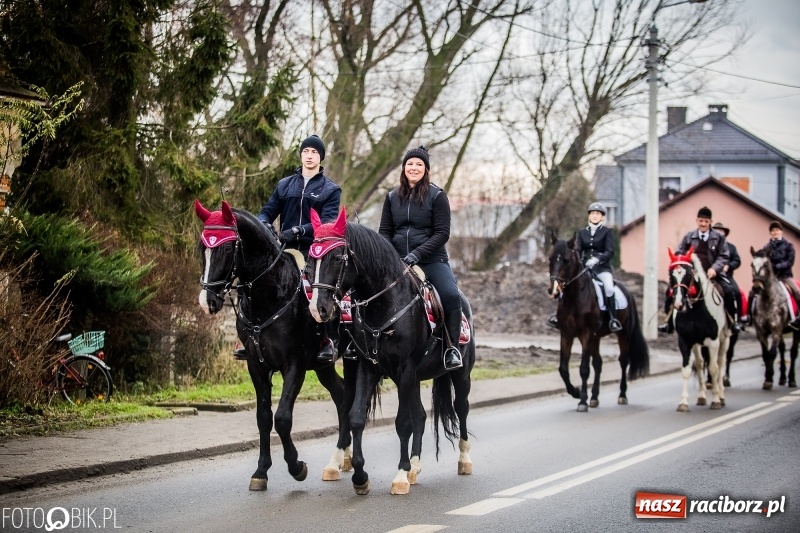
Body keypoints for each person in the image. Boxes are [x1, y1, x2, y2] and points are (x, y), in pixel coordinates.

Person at [251, 135, 342, 363]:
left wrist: (299, 231)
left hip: (315, 250)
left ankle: (327, 341)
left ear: (320, 158)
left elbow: (328, 222)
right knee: (257, 280)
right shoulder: (284, 185)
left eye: (314, 152)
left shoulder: (331, 189)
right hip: (283, 249)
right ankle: (251, 335)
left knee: (318, 288)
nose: (309, 156)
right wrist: (263, 225)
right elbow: (267, 211)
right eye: (306, 151)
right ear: (301, 155)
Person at [378, 146, 463, 370]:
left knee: (451, 296)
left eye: (418, 164)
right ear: (403, 168)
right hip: (396, 261)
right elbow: (385, 231)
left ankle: (451, 348)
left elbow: (442, 233)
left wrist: (417, 254)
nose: (413, 168)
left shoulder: (437, 196)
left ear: (426, 169)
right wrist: (388, 255)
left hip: (431, 260)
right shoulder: (391, 197)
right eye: (410, 164)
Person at [660, 206, 740, 334]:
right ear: (697, 221)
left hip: (713, 274)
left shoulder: (719, 237)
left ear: (710, 222)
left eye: (706, 221)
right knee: (671, 290)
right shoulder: (689, 236)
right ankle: (668, 321)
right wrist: (682, 264)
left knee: (730, 291)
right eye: (701, 221)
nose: (703, 224)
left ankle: (732, 321)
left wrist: (714, 269)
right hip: (692, 274)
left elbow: (724, 255)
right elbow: (679, 251)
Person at [546, 202, 622, 332]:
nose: (595, 216)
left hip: (602, 269)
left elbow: (610, 251)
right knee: (565, 286)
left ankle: (612, 319)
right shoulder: (582, 232)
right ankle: (558, 317)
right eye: (592, 213)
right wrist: (581, 261)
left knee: (609, 288)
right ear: (589, 216)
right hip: (585, 268)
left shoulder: (607, 232)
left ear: (602, 217)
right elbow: (578, 249)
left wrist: (597, 259)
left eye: (598, 214)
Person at [761, 220, 800, 328]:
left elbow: (790, 261)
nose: (775, 232)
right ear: (770, 232)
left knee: (797, 292)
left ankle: (799, 318)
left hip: (785, 276)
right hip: (771, 277)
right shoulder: (766, 247)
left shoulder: (788, 245)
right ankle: (752, 317)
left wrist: (778, 266)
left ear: (781, 231)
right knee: (755, 293)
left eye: (777, 230)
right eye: (772, 230)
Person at [712, 221, 747, 326]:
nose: (718, 233)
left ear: (724, 233)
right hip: (711, 275)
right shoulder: (710, 246)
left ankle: (737, 319)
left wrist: (729, 266)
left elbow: (737, 260)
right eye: (716, 231)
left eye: (720, 231)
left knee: (736, 291)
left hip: (726, 276)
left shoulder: (731, 247)